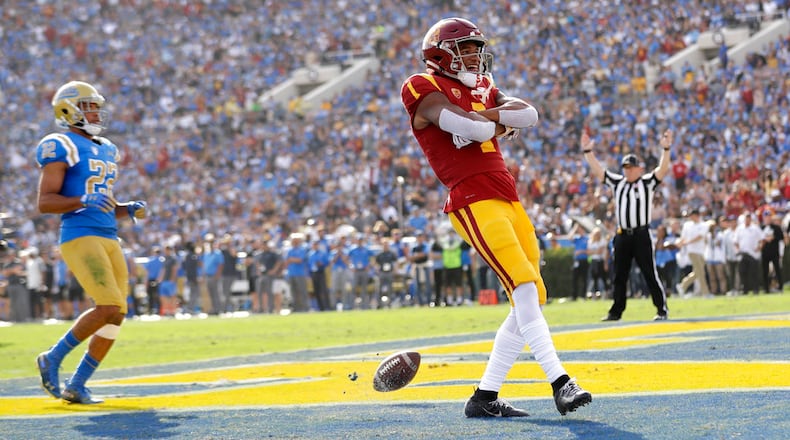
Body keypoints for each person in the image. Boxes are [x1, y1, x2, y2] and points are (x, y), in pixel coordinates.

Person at [401, 17, 590, 418]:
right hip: (472, 198)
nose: (473, 57)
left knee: (531, 297)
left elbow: (528, 114)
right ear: (440, 54)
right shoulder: (421, 85)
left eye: (476, 49)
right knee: (523, 287)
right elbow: (467, 126)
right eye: (464, 49)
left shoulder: (483, 87)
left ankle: (485, 396)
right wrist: (496, 123)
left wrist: (487, 122)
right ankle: (560, 382)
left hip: (507, 195)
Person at [35, 80, 147, 404]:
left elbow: (103, 202)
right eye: (89, 106)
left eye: (96, 106)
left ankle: (77, 385)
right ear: (68, 110)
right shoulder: (61, 144)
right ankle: (52, 357)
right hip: (80, 234)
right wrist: (82, 199)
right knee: (107, 306)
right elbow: (45, 201)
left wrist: (126, 208)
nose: (96, 112)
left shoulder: (107, 148)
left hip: (108, 235)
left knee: (117, 313)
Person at [581, 129, 672, 321]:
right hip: (622, 234)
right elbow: (599, 172)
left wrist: (666, 149)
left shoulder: (646, 183)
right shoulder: (618, 183)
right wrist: (588, 152)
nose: (627, 171)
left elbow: (662, 170)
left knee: (649, 273)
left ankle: (661, 309)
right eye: (625, 168)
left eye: (631, 167)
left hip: (641, 234)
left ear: (639, 169)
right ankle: (616, 311)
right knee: (619, 275)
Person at [676, 209, 711, 297]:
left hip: (701, 251)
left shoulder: (704, 225)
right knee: (701, 272)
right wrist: (680, 243)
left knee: (698, 272)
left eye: (692, 216)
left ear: (697, 216)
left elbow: (700, 237)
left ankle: (682, 285)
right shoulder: (687, 225)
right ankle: (705, 293)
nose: (690, 217)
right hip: (692, 251)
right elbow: (683, 237)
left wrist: (688, 242)